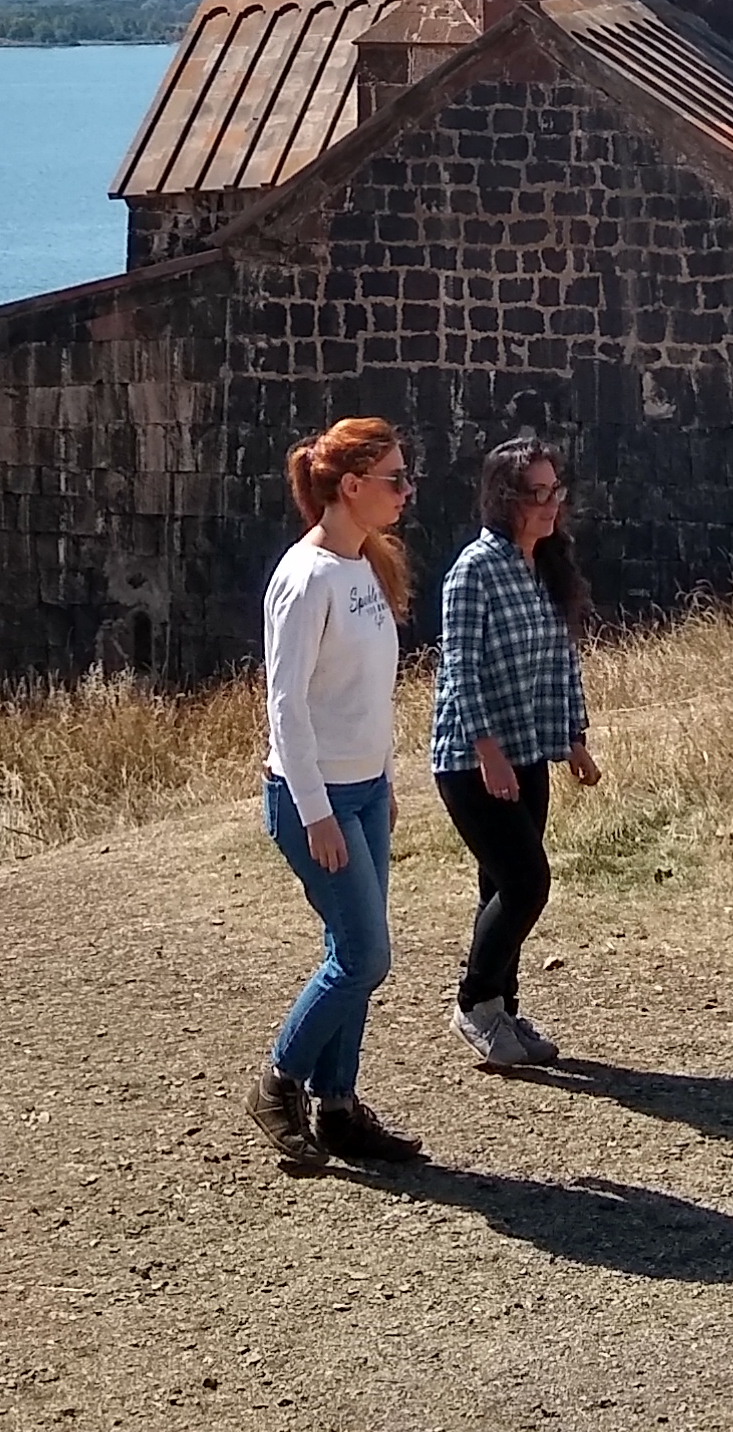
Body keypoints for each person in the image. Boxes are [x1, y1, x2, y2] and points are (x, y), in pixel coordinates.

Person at [246, 415, 423, 1176]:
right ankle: (277, 1083)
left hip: (362, 791)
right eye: (393, 479)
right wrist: (316, 810)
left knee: (349, 949)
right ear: (350, 487)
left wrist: (383, 780)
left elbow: (368, 692)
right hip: (311, 798)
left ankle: (339, 1105)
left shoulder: (366, 566)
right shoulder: (304, 576)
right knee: (363, 956)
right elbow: (284, 703)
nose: (405, 492)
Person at [429, 429, 600, 1071]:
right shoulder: (474, 571)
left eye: (555, 489)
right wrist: (486, 751)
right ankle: (474, 1004)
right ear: (505, 498)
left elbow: (560, 661)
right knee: (528, 882)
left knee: (500, 887)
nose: (550, 503)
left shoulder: (542, 566)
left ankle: (503, 1012)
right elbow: (459, 671)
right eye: (536, 492)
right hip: (473, 759)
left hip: (529, 750)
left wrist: (573, 739)